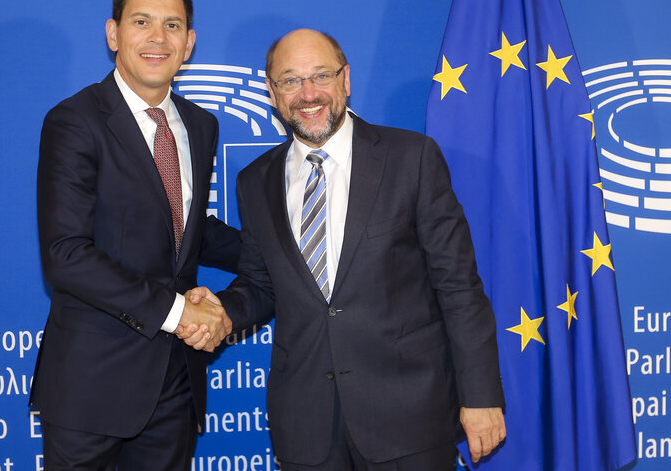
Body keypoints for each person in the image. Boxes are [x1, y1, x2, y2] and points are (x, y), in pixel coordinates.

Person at [180, 29, 506, 470]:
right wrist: (222, 311)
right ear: (271, 92)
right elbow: (261, 284)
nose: (308, 94)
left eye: (321, 76)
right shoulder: (255, 181)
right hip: (307, 424)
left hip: (409, 418)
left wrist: (480, 397)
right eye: (290, 80)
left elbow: (459, 287)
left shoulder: (411, 158)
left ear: (346, 79)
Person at [31, 0, 238, 471]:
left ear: (188, 43)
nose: (157, 38)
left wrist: (283, 251)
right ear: (113, 33)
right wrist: (177, 312)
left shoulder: (200, 125)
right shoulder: (74, 121)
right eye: (141, 21)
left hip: (174, 383)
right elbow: (66, 256)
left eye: (172, 26)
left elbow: (184, 232)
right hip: (92, 387)